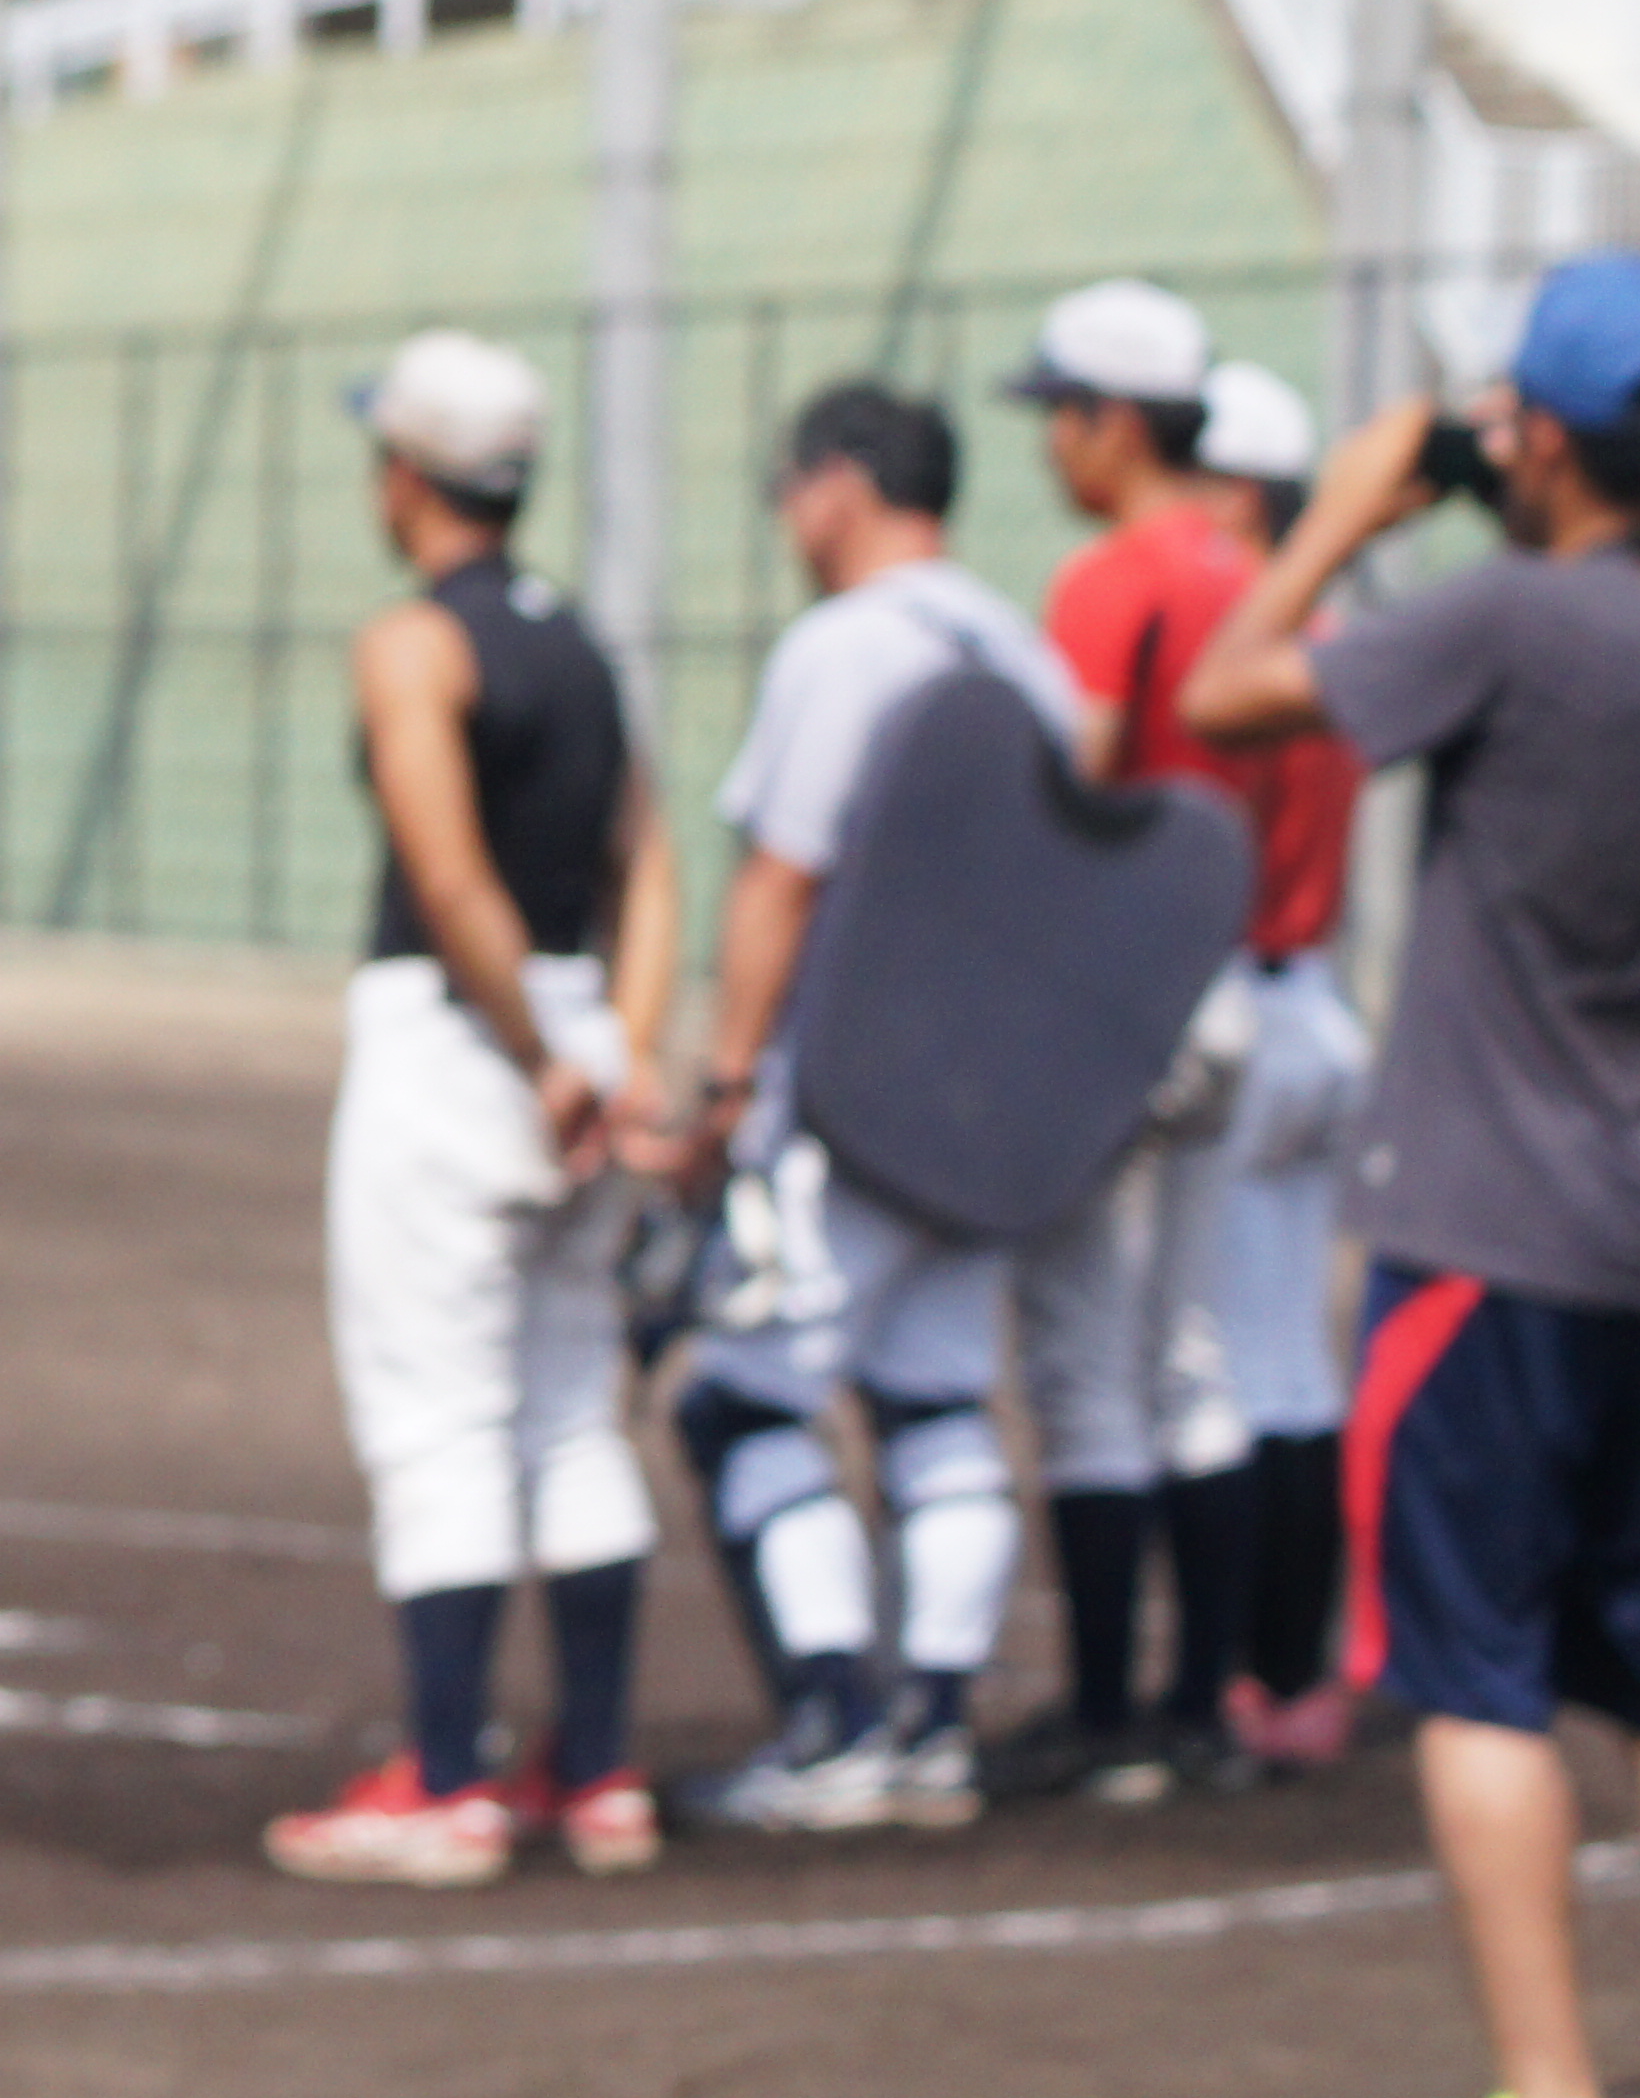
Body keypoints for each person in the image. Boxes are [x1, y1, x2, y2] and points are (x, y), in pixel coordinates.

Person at [1180, 254, 1640, 2098]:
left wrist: (1339, 515)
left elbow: (1222, 696)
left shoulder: (1502, 623)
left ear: (1532, 433)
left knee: (1475, 1679)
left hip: (1478, 1236)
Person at [263, 330, 680, 1890]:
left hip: (461, 1043)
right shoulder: (582, 647)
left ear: (408, 477)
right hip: (570, 1029)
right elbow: (649, 868)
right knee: (570, 1402)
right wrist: (618, 1048)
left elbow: (446, 877)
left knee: (436, 1411)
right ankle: (601, 1771)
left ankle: (447, 1783)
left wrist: (537, 1053)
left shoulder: (411, 644)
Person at [655, 383, 1064, 1834]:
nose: (785, 515)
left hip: (852, 1096)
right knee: (933, 1396)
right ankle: (936, 1727)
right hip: (996, 1101)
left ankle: (832, 1723)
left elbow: (783, 875)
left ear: (843, 483)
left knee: (746, 1401)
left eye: (789, 485)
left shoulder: (846, 647)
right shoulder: (1019, 649)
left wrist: (724, 1086)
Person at [987, 277, 1284, 1803]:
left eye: (1061, 415)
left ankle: (1107, 1712)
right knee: (1196, 1353)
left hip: (1118, 999)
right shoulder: (1254, 574)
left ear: (1115, 423)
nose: (1053, 444)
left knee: (1084, 1364)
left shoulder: (1112, 578)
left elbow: (1077, 787)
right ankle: (1201, 1709)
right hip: (1232, 983)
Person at [1185, 359, 1376, 1770]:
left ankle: (1249, 1673)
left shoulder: (1244, 658)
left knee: (1231, 1365)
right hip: (1315, 1004)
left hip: (1242, 1014)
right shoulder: (1336, 641)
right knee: (1293, 1358)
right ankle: (1297, 1672)